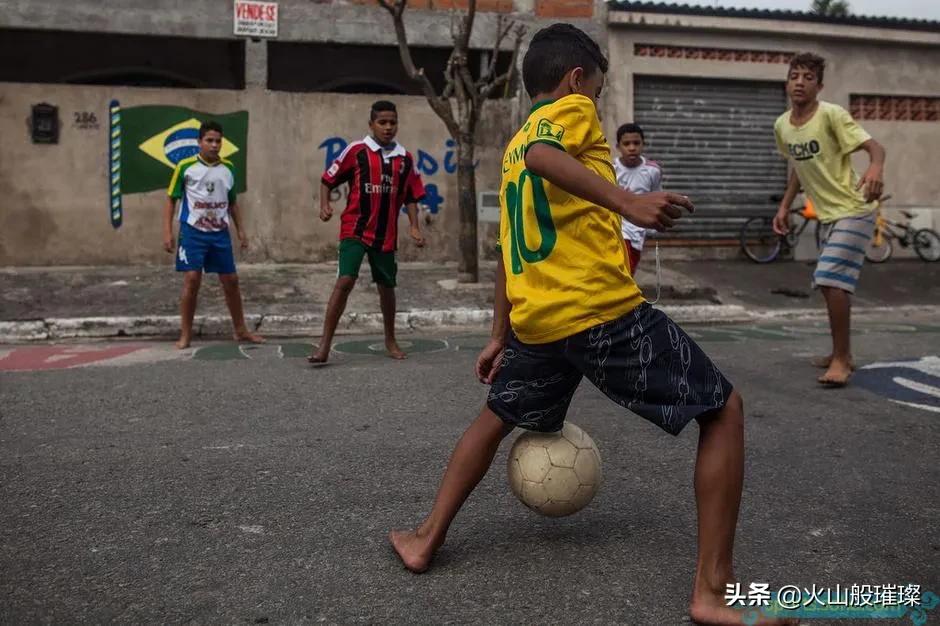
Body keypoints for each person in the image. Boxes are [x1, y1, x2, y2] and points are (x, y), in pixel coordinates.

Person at [389, 24, 794, 626]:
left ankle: (425, 538)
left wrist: (500, 332)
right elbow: (545, 156)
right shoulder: (564, 114)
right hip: (598, 311)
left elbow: (507, 246)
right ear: (576, 79)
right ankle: (713, 590)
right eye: (599, 90)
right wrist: (627, 202)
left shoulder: (511, 145)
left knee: (495, 419)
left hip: (539, 322)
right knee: (723, 410)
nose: (597, 105)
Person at [772, 52, 886, 387]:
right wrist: (784, 206)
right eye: (795, 76)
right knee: (834, 285)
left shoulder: (832, 115)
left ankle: (841, 360)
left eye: (808, 77)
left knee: (828, 279)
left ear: (819, 85)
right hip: (828, 215)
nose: (800, 82)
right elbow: (797, 167)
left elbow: (876, 148)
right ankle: (842, 352)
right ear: (787, 81)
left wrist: (875, 168)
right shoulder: (782, 125)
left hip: (856, 208)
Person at [309, 101, 426, 365]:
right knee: (345, 281)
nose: (388, 127)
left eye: (392, 122)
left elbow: (410, 196)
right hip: (355, 228)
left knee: (387, 287)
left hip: (385, 234)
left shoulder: (404, 159)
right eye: (382, 122)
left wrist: (415, 226)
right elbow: (328, 179)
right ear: (371, 124)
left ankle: (390, 339)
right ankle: (324, 346)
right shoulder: (357, 150)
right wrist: (325, 204)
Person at [162, 121, 263, 350]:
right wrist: (168, 232)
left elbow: (233, 203)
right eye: (209, 140)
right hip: (192, 233)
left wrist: (241, 231)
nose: (214, 145)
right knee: (192, 280)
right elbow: (171, 199)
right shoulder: (185, 167)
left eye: (218, 141)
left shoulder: (228, 168)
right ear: (199, 142)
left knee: (231, 281)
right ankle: (186, 334)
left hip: (219, 234)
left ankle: (240, 330)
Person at [614, 122, 662, 273]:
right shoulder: (611, 169)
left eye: (636, 143)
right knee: (620, 271)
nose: (632, 148)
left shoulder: (652, 171)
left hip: (637, 231)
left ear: (643, 144)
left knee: (628, 272)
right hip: (616, 228)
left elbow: (656, 195)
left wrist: (654, 221)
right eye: (626, 143)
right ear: (618, 146)